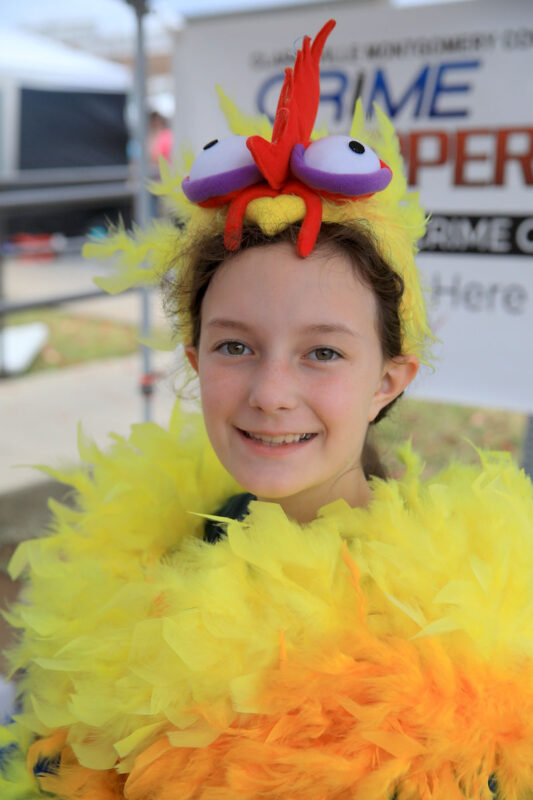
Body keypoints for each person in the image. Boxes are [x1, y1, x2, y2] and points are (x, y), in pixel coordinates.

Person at [1, 19, 532, 800]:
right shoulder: (131, 564)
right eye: (234, 346)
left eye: (322, 352)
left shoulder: (469, 634)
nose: (270, 393)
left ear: (389, 379)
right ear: (193, 361)